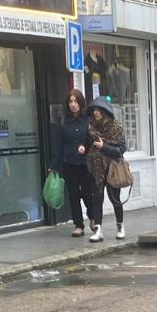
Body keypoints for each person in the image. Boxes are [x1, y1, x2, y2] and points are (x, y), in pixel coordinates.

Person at [56, 88, 102, 241]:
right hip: (69, 162)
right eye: (70, 101)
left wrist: (86, 147)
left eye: (76, 101)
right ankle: (78, 225)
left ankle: (92, 218)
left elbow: (93, 140)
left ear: (81, 103)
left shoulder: (87, 122)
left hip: (84, 163)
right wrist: (53, 165)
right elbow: (59, 145)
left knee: (87, 192)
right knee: (73, 195)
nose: (73, 104)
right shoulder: (63, 122)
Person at [87, 96, 128, 241]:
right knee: (96, 200)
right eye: (93, 110)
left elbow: (121, 150)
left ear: (105, 112)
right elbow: (87, 146)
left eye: (98, 110)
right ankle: (98, 230)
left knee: (115, 199)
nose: (95, 113)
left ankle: (120, 226)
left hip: (112, 169)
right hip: (96, 169)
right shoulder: (91, 129)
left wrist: (103, 147)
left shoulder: (116, 128)